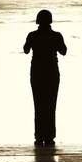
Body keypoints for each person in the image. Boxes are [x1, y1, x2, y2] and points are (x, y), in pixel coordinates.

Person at [23, 10, 67, 146]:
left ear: (38, 21)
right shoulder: (56, 35)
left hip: (37, 72)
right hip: (52, 72)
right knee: (50, 105)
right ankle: (49, 137)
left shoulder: (32, 35)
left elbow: (25, 50)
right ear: (50, 21)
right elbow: (63, 51)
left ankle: (39, 137)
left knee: (39, 104)